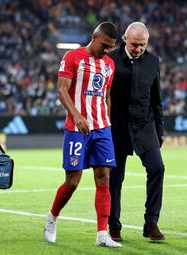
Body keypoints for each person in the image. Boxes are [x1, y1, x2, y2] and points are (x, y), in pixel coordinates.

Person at [43, 21, 121, 248]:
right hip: (76, 129)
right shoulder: (72, 57)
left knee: (104, 177)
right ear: (94, 36)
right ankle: (52, 217)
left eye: (110, 47)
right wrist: (76, 115)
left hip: (102, 128)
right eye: (104, 45)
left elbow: (106, 95)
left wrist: (107, 119)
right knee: (73, 181)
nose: (107, 51)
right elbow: (61, 90)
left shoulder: (109, 65)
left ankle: (102, 234)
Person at [108, 22, 165, 241]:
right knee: (115, 178)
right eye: (134, 45)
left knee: (157, 168)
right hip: (117, 127)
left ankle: (151, 223)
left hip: (144, 126)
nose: (139, 49)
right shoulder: (110, 60)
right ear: (124, 39)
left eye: (143, 45)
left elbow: (156, 100)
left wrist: (159, 131)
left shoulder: (153, 62)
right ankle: (114, 226)